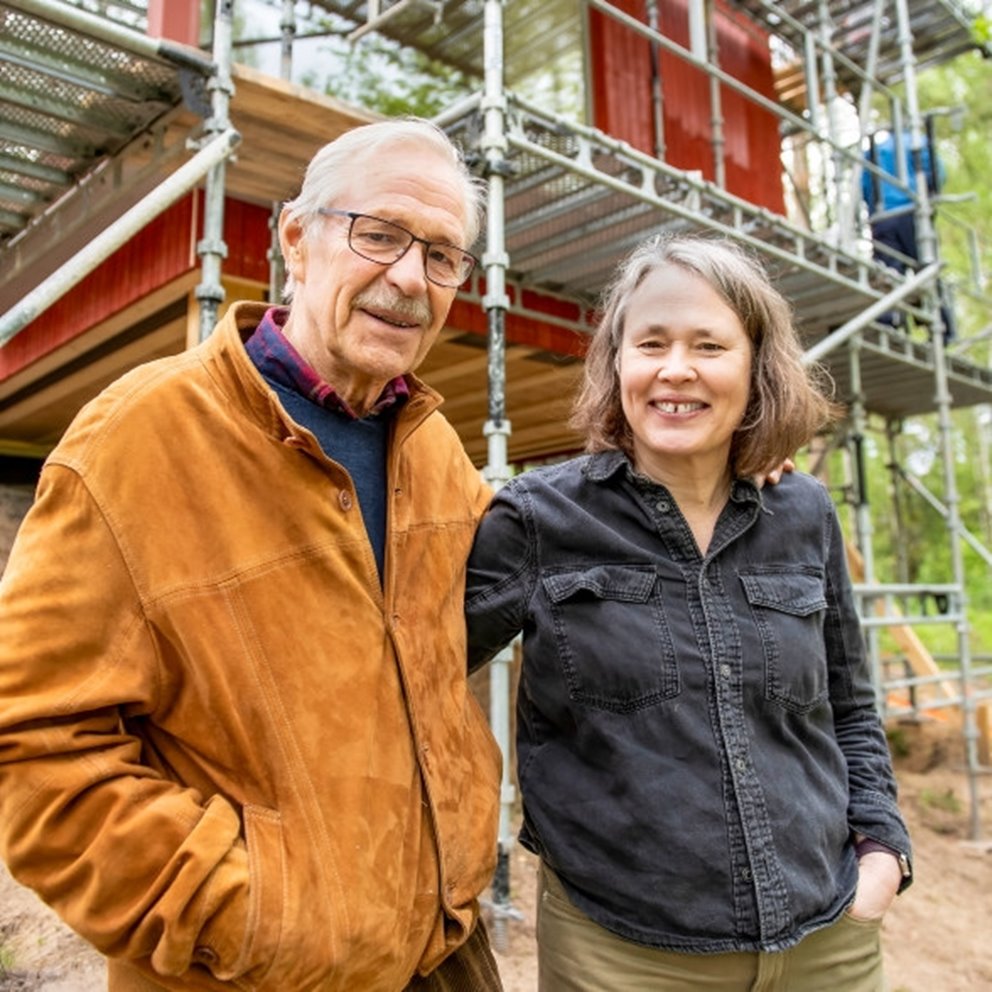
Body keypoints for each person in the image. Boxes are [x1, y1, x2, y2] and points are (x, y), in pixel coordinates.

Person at [0, 119, 505, 992]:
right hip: (251, 974)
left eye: (442, 255)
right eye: (379, 234)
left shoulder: (433, 449)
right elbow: (35, 749)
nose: (408, 279)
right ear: (296, 240)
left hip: (446, 954)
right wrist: (257, 911)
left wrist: (717, 461)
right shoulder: (138, 439)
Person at [465, 235, 912, 991]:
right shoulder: (539, 519)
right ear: (616, 363)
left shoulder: (803, 511)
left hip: (827, 940)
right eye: (651, 343)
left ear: (755, 366)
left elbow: (850, 707)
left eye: (709, 344)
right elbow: (411, 674)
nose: (677, 369)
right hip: (623, 954)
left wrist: (882, 848)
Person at [861, 128, 954, 339]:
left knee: (888, 272)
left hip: (882, 218)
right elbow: (938, 174)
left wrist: (875, 211)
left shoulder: (874, 151)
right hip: (913, 213)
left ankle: (887, 324)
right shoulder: (917, 142)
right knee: (926, 268)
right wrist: (929, 199)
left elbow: (864, 185)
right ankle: (941, 328)